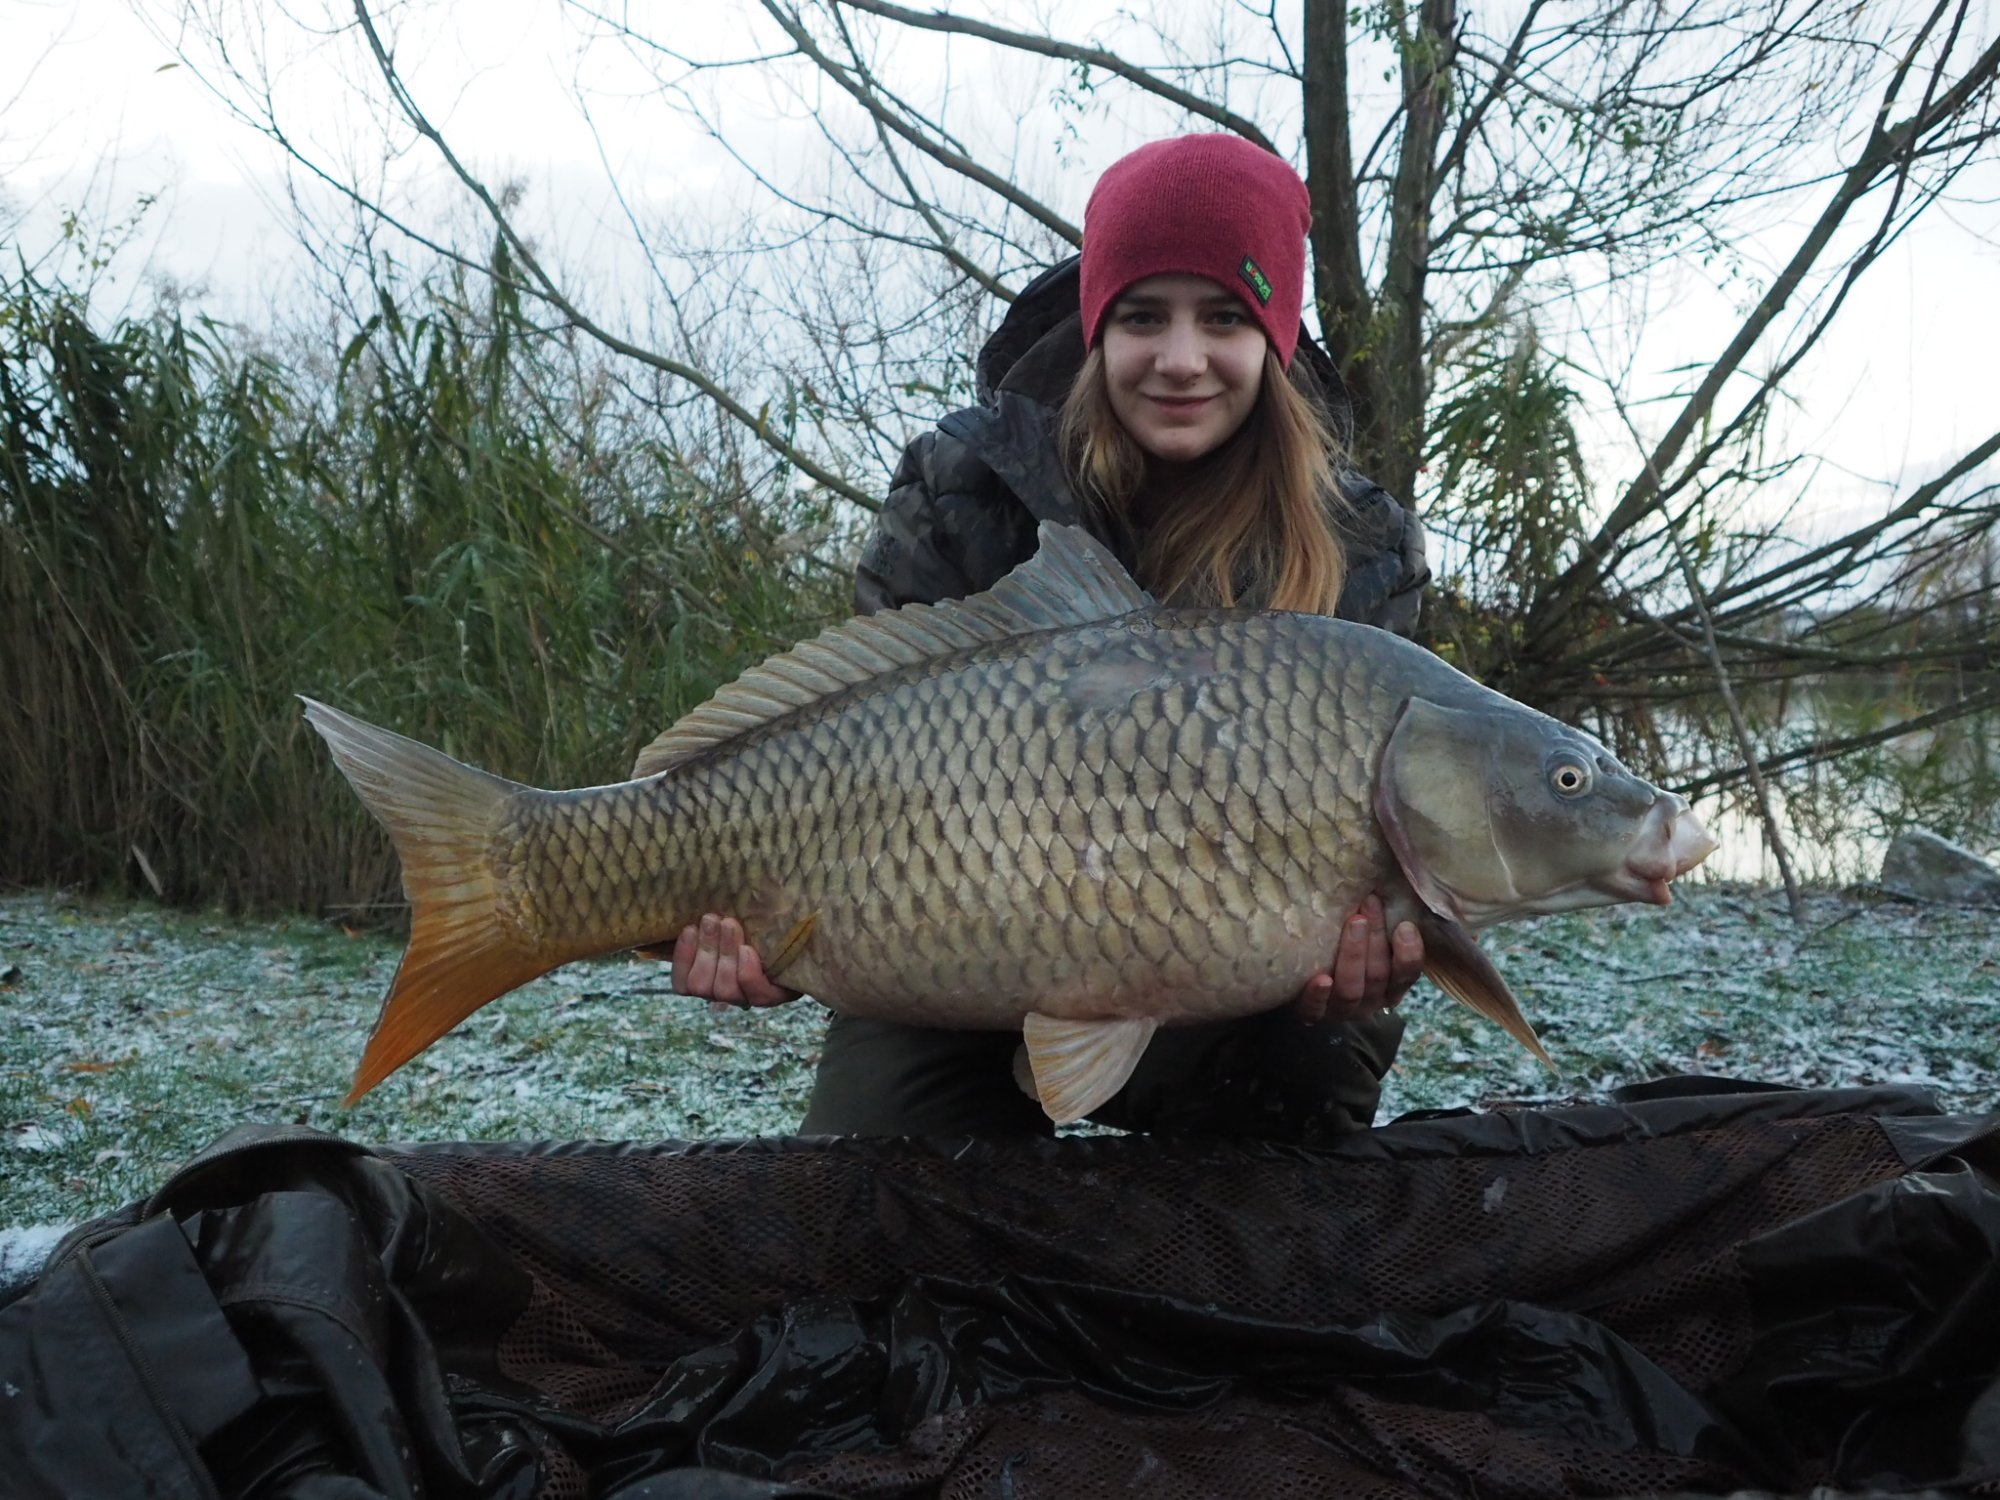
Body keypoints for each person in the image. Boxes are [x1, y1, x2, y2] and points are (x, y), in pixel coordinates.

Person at [669, 134, 1432, 1142]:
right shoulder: (965, 485)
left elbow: (1381, 859)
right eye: (1141, 316)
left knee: (1320, 1054)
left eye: (1223, 319)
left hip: (1228, 988)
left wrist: (1355, 967)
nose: (1179, 358)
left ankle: (1208, 1266)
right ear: (1095, 322)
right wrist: (767, 924)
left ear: (1274, 337)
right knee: (872, 1180)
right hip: (949, 955)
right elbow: (847, 744)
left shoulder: (1360, 540)